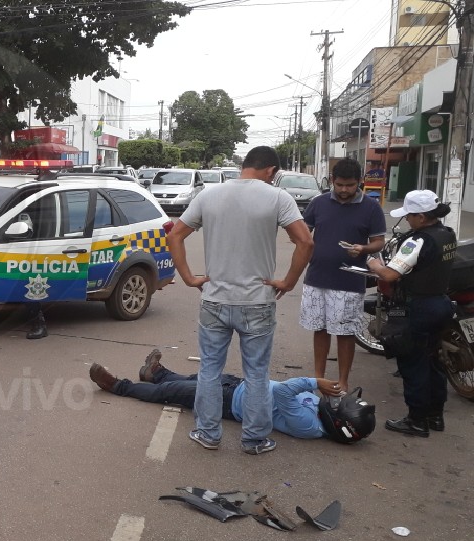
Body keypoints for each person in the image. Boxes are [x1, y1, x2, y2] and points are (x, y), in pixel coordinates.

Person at [167, 146, 314, 455]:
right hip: (257, 302)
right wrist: (288, 281)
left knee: (209, 370)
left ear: (246, 165)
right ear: (271, 171)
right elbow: (305, 241)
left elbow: (175, 236)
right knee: (257, 374)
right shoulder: (278, 198)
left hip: (215, 300)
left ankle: (208, 434)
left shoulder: (208, 195)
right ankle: (255, 440)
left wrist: (189, 278)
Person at [88, 349, 376, 444]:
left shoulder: (308, 425)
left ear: (340, 424)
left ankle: (117, 386)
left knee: (171, 393)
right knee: (192, 379)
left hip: (230, 403)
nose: (335, 398)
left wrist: (315, 381)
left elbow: (285, 390)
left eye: (340, 404)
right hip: (241, 387)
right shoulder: (320, 414)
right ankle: (157, 372)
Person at [365, 190, 456, 437]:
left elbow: (390, 275)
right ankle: (435, 416)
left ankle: (416, 420)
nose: (407, 220)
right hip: (441, 304)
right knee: (434, 361)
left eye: (410, 216)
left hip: (417, 308)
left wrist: (374, 264)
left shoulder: (418, 240)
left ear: (423, 217)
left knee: (413, 363)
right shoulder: (446, 234)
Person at [299, 158, 387, 393]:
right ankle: (318, 379)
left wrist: (363, 249)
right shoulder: (318, 203)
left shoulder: (371, 207)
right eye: (339, 185)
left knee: (345, 333)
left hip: (349, 281)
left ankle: (342, 382)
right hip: (317, 277)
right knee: (320, 329)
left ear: (359, 182)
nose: (344, 190)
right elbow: (304, 233)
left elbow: (379, 241)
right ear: (332, 182)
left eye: (349, 185)